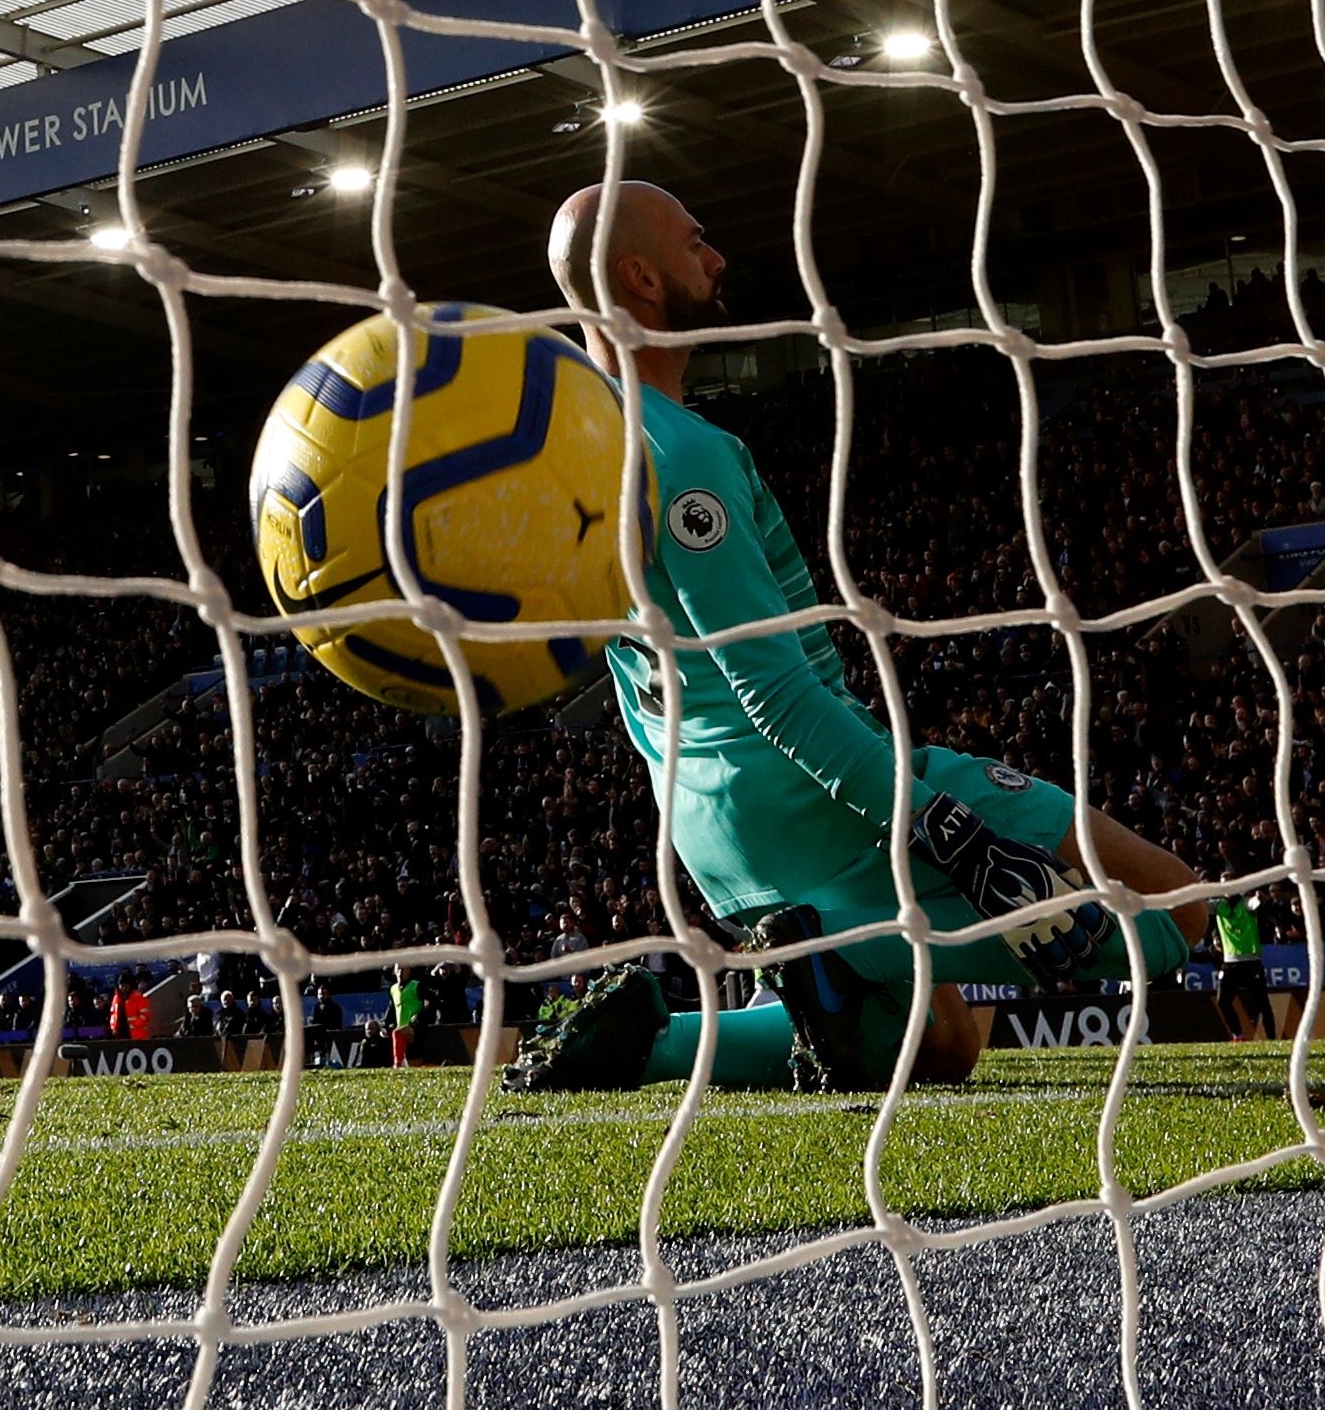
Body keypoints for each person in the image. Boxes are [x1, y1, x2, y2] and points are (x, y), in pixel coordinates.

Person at [512, 183, 1205, 1094]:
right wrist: (941, 824)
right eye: (694, 242)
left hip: (709, 835)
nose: (715, 259)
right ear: (639, 275)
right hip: (804, 799)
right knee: (1175, 903)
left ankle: (652, 1039)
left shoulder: (578, 449)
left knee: (945, 1040)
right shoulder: (682, 452)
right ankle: (860, 958)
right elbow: (776, 691)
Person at [1210, 895, 1272, 1041]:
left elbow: (1254, 903)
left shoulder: (1245, 903)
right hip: (1230, 962)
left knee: (1262, 1003)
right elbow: (1200, 904)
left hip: (1251, 961)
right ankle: (1238, 1035)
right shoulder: (1219, 906)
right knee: (1223, 1001)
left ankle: (1272, 1038)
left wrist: (1259, 899)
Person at [389, 965, 424, 1068]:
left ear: (409, 971)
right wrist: (386, 1024)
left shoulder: (417, 985)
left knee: (397, 1033)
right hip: (401, 1026)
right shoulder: (393, 989)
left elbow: (431, 1001)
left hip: (415, 1026)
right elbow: (392, 1008)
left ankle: (397, 1063)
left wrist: (419, 1015)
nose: (400, 972)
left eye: (403, 969)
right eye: (398, 969)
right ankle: (399, 1063)